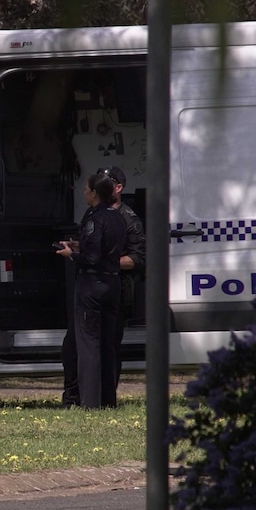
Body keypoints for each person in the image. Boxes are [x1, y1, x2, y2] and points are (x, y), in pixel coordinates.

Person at [60, 166, 145, 407]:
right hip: (107, 283)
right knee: (76, 346)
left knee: (100, 346)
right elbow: (95, 248)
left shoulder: (126, 218)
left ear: (116, 188)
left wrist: (78, 255)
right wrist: (80, 247)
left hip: (107, 286)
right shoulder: (104, 215)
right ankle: (78, 397)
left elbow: (137, 258)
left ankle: (95, 400)